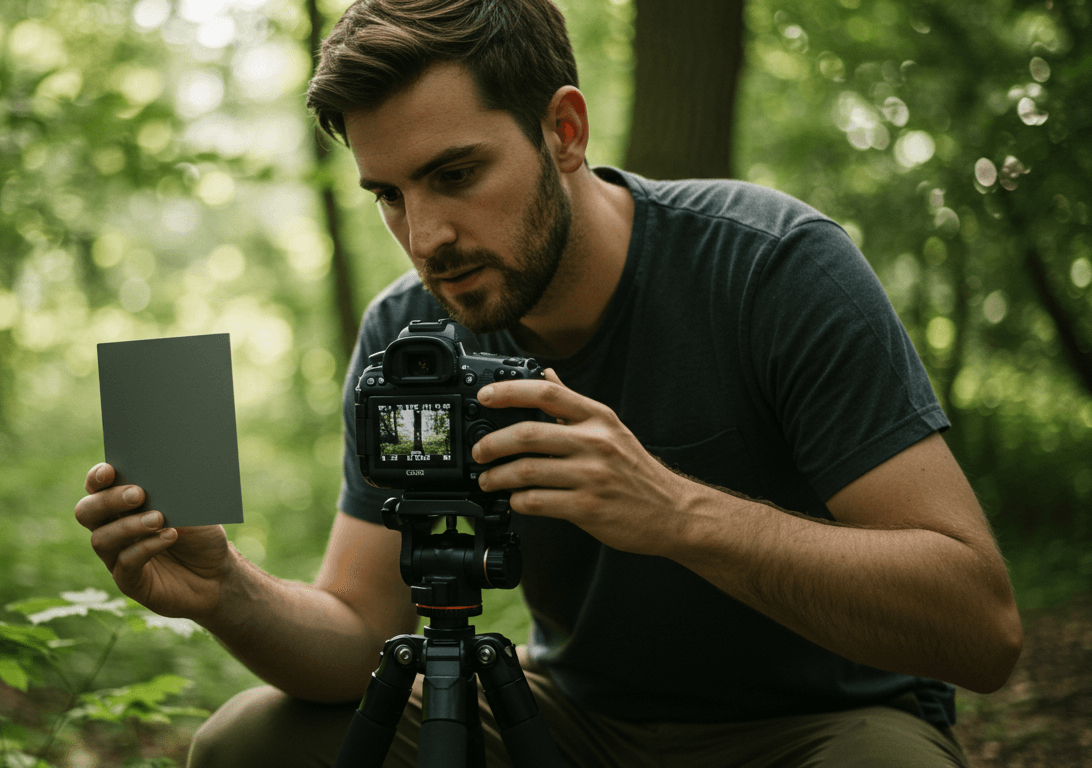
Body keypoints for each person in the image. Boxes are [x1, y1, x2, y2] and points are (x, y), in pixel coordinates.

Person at [74, 0, 1023, 764]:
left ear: (563, 131)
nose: (425, 237)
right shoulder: (408, 333)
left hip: (819, 724)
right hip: (572, 719)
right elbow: (362, 630)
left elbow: (981, 629)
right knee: (249, 744)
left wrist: (675, 512)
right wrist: (226, 592)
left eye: (455, 174)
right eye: (390, 195)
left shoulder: (769, 267)